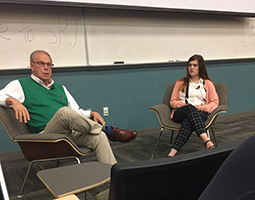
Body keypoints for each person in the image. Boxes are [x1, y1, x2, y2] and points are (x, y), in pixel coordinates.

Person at [0, 50, 137, 165]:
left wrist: (91, 114)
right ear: (32, 66)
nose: (46, 67)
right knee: (63, 112)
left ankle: (113, 178)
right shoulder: (21, 84)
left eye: (49, 64)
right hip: (44, 136)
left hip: (67, 133)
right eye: (41, 64)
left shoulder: (60, 88)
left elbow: (76, 113)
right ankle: (110, 131)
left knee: (99, 137)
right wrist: (12, 101)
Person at [168, 54, 218, 157]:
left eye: (195, 65)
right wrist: (182, 105)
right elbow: (172, 101)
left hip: (200, 112)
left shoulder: (207, 83)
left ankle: (172, 153)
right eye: (190, 65)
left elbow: (214, 102)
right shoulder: (180, 82)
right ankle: (206, 140)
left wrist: (203, 108)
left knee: (188, 121)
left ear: (201, 67)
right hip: (181, 112)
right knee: (190, 108)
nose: (191, 68)